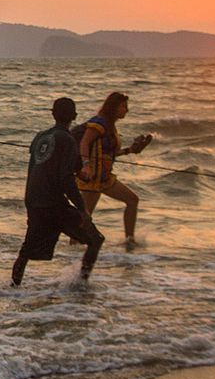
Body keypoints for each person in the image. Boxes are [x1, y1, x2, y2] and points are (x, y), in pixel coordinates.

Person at [13, 98, 103, 286]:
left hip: (34, 202)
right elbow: (65, 179)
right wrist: (82, 209)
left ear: (52, 114)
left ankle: (13, 287)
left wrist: (81, 171)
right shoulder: (68, 140)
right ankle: (81, 284)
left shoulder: (39, 137)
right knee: (95, 240)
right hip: (54, 205)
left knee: (26, 251)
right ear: (75, 116)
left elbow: (46, 166)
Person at [76, 92, 151, 250]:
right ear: (113, 107)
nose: (126, 110)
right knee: (85, 218)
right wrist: (86, 165)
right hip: (92, 178)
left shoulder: (110, 126)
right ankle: (72, 250)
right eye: (123, 106)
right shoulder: (99, 123)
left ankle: (129, 240)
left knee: (132, 200)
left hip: (104, 178)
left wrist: (130, 150)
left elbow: (109, 153)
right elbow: (84, 143)